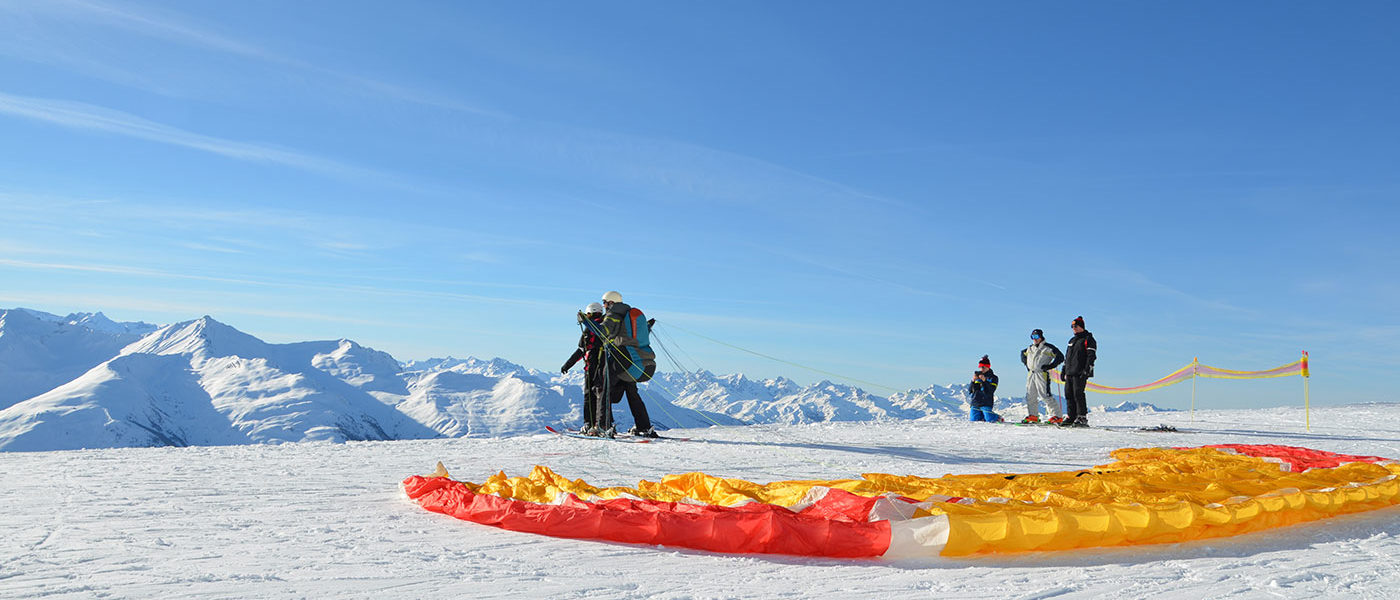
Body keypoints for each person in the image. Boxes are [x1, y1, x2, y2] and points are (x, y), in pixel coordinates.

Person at [599, 291, 657, 438]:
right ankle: (644, 426)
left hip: (620, 357)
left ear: (611, 302)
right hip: (635, 358)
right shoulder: (629, 314)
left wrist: (589, 324)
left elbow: (603, 331)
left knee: (603, 389)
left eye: (604, 302)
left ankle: (603, 426)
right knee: (632, 392)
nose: (604, 305)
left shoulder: (614, 313)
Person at [561, 303, 610, 435]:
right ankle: (606, 424)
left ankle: (589, 423)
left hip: (592, 365)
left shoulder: (589, 329)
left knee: (589, 395)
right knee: (602, 394)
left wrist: (567, 365)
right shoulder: (606, 325)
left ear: (590, 313)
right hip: (606, 366)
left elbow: (581, 350)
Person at [1019, 328, 1064, 424]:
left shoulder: (1047, 347)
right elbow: (1023, 353)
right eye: (1032, 337)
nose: (1034, 339)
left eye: (1036, 336)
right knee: (1030, 395)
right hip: (1031, 373)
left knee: (1045, 395)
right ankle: (1033, 415)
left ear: (1041, 337)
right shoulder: (1030, 348)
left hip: (1041, 373)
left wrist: (1051, 366)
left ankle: (1057, 416)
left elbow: (1060, 357)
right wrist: (1026, 363)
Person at [1059, 316, 1097, 428]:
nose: (1073, 328)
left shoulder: (1088, 339)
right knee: (1068, 394)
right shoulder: (1072, 340)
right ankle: (1071, 416)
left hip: (1080, 372)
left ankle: (1082, 417)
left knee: (1078, 394)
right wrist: (1063, 370)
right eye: (1072, 326)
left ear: (1081, 326)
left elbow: (1091, 356)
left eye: (1075, 326)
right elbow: (1067, 357)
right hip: (1070, 371)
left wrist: (1087, 369)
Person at [967, 355, 1001, 423]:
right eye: (980, 367)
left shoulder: (993, 378)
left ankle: (997, 418)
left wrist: (985, 381)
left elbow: (991, 390)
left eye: (983, 367)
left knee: (990, 419)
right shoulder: (978, 376)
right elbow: (970, 390)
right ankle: (982, 416)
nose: (981, 369)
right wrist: (973, 381)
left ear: (988, 367)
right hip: (976, 402)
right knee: (973, 419)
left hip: (986, 402)